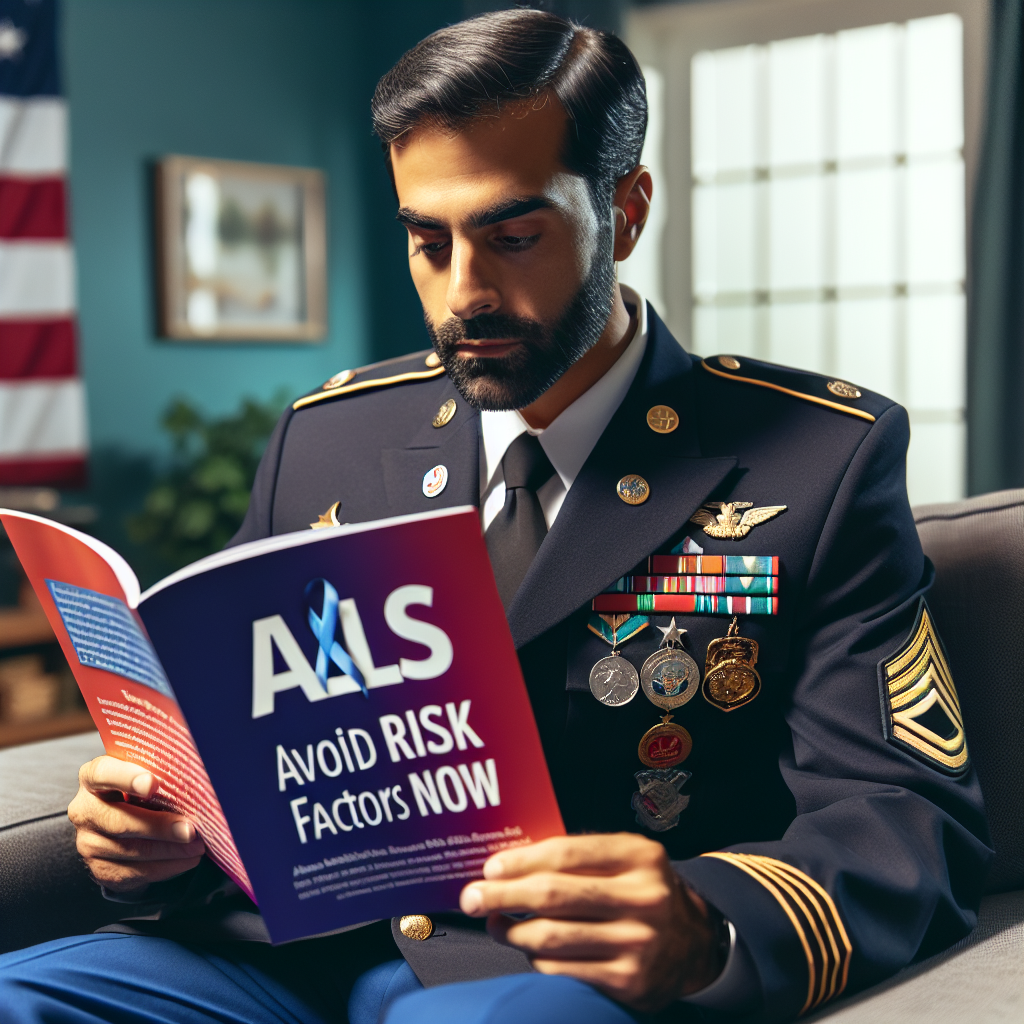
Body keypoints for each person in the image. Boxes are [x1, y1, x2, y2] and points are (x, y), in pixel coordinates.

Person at [0, 10, 991, 1024]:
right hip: (272, 957)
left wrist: (706, 924)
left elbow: (904, 819)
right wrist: (155, 839)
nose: (462, 292)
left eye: (513, 236)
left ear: (627, 210)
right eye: (426, 241)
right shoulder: (326, 438)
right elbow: (250, 759)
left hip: (537, 977)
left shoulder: (822, 457)